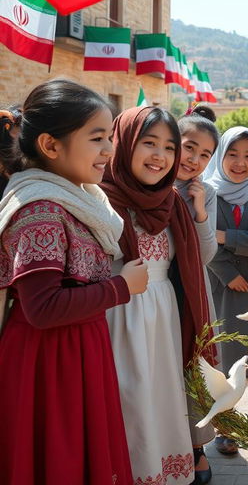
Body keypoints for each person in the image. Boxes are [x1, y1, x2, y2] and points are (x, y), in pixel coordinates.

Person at [0, 80, 149, 485]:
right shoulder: (41, 210)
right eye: (97, 138)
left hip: (75, 350)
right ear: (51, 145)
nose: (109, 150)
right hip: (49, 361)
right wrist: (122, 288)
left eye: (110, 137)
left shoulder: (75, 198)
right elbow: (42, 308)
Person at [103, 106, 212, 485]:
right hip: (117, 317)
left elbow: (196, 260)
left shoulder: (172, 202)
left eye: (169, 147)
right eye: (148, 143)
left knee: (161, 397)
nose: (160, 156)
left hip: (164, 317)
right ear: (125, 143)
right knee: (127, 399)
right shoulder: (101, 200)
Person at [206, 126, 248, 456]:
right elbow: (201, 239)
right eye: (232, 153)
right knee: (218, 357)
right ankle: (225, 427)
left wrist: (224, 236)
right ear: (220, 155)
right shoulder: (207, 193)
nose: (240, 162)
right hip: (217, 285)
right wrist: (229, 270)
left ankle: (230, 417)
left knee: (244, 358)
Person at [176, 105, 220, 485]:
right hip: (150, 291)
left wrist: (201, 210)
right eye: (189, 147)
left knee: (192, 368)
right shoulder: (146, 182)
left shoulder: (204, 193)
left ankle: (196, 448)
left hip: (191, 292)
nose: (195, 159)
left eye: (205, 154)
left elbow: (207, 254)